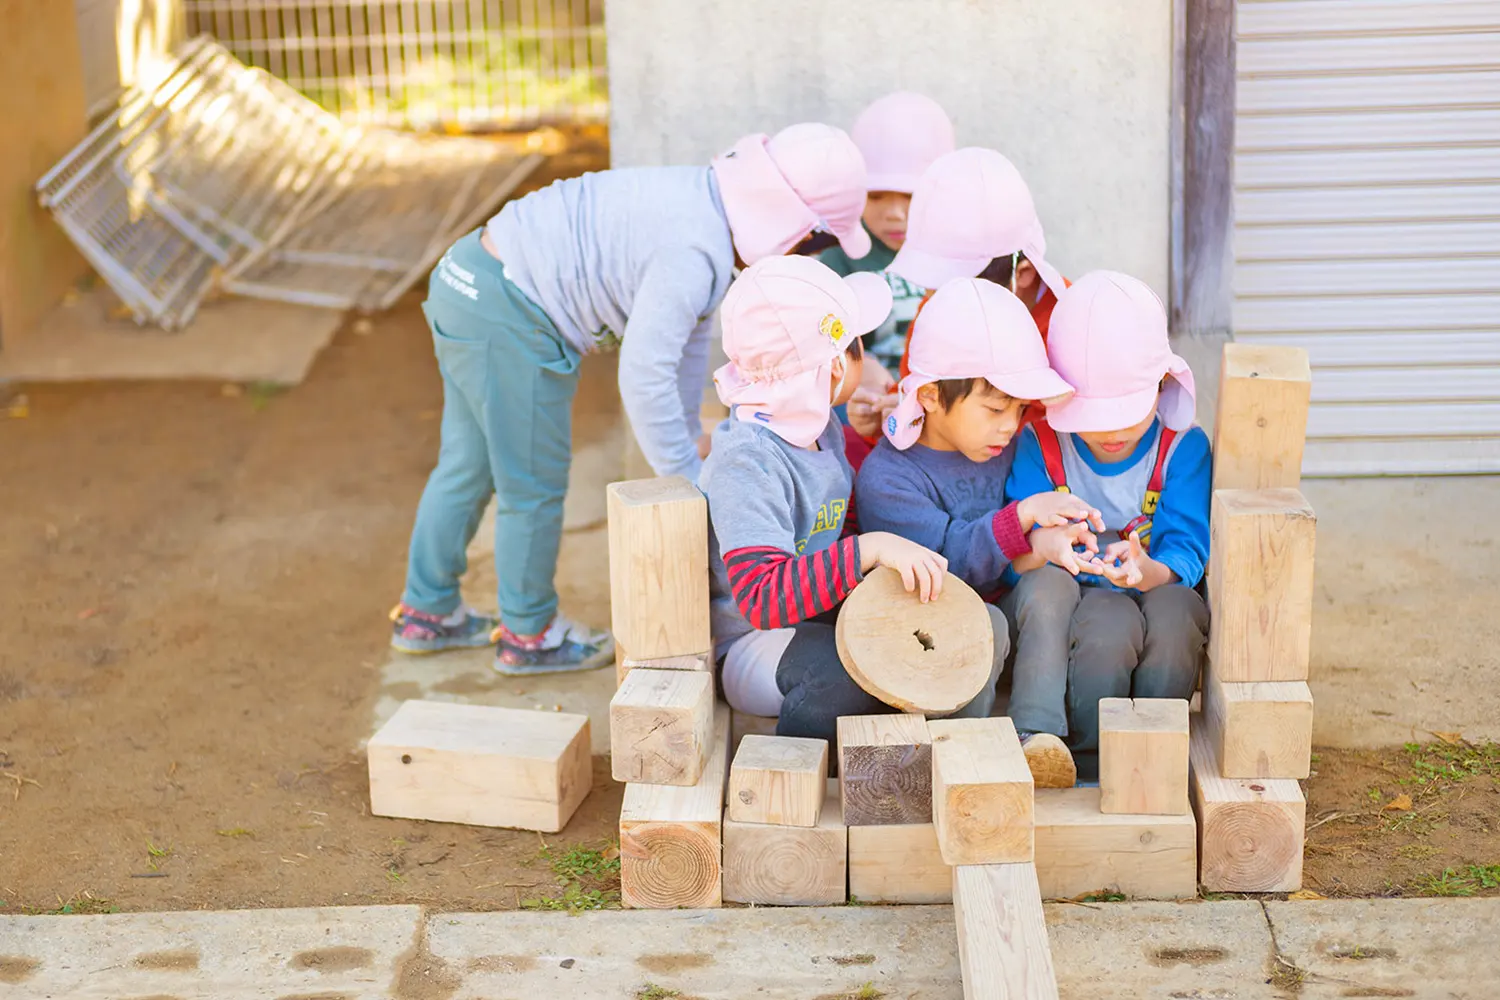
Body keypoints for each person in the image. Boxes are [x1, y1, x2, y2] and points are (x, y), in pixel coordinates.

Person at [390, 123, 872, 675]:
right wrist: (690, 483)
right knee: (533, 483)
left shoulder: (704, 211)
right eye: (815, 242)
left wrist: (692, 432)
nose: (806, 255)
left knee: (467, 462)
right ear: (789, 219)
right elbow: (644, 374)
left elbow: (686, 346)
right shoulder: (694, 249)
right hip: (510, 307)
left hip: (471, 278)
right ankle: (529, 634)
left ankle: (426, 611)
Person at [700, 255, 1005, 744]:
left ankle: (941, 758)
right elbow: (761, 600)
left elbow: (832, 525)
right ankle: (806, 779)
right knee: (848, 674)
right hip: (752, 644)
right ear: (835, 366)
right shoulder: (748, 463)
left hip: (822, 614)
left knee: (955, 632)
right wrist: (870, 549)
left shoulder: (822, 429)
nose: (865, 359)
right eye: (858, 345)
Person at [855, 277, 1100, 786]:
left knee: (1051, 583)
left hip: (1005, 609)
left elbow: (1020, 555)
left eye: (1018, 410)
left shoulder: (1009, 447)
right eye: (993, 409)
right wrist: (1026, 515)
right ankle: (960, 752)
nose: (1009, 426)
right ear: (930, 396)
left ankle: (1036, 736)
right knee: (984, 619)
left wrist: (1048, 543)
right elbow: (950, 561)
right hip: (928, 630)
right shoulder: (889, 478)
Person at [1005, 271, 1211, 781]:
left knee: (1179, 612)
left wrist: (1147, 568)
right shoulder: (1041, 446)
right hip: (1082, 598)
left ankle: (1155, 754)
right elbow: (1016, 550)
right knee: (1106, 624)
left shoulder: (1181, 448)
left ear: (1162, 384)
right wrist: (1049, 543)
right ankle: (1087, 759)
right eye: (1091, 416)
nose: (1112, 431)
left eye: (1127, 413)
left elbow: (1185, 547)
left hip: (1159, 585)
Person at [889, 147, 1071, 380]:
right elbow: (912, 382)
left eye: (958, 294)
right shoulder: (936, 306)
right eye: (932, 286)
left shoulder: (1071, 339)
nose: (932, 300)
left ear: (1023, 274)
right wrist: (893, 404)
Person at [820, 92, 956, 386]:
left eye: (910, 196)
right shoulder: (840, 259)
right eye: (876, 196)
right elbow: (818, 341)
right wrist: (858, 365)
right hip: (862, 403)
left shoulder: (960, 256)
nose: (894, 214)